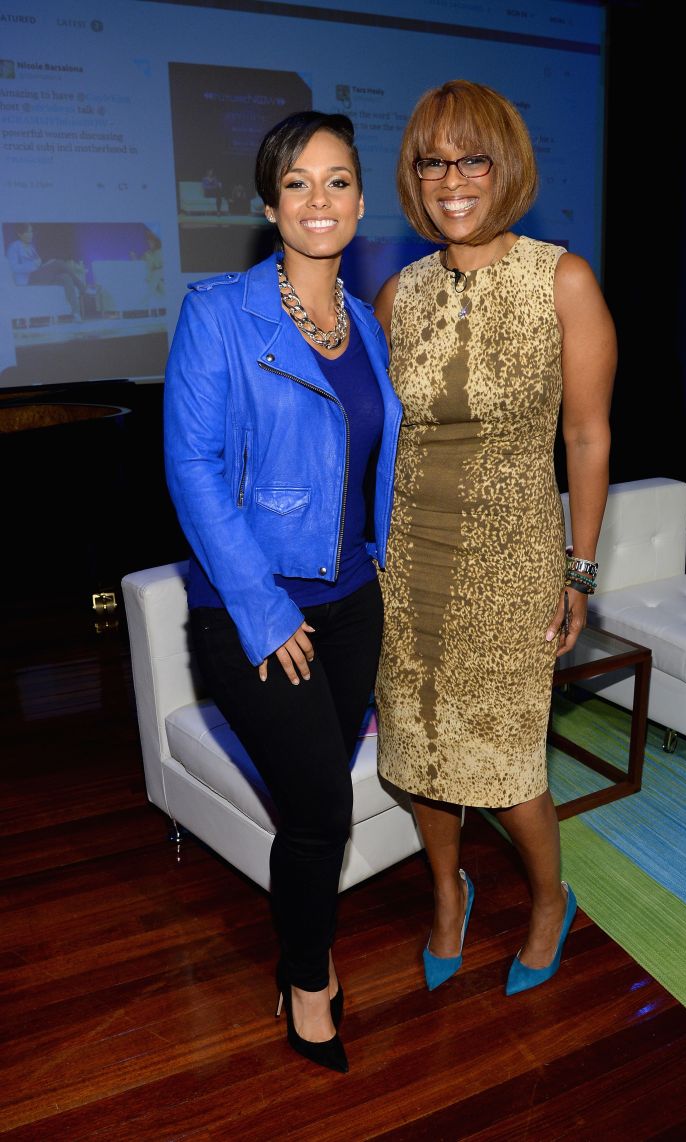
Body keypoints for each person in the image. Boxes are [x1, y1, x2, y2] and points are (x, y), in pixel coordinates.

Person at [164, 111, 401, 1073]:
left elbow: (371, 463)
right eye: (297, 183)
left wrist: (384, 561)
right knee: (321, 813)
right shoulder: (218, 313)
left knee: (316, 806)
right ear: (270, 205)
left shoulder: (366, 325)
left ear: (360, 200)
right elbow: (192, 467)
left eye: (337, 180)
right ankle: (308, 980)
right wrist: (264, 611)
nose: (319, 199)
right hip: (255, 611)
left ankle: (303, 949)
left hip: (353, 607)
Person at [373, 80, 616, 996]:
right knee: (420, 750)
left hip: (512, 563)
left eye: (472, 159)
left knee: (509, 766)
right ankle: (449, 892)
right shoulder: (399, 293)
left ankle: (551, 900)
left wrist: (579, 570)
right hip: (407, 563)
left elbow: (586, 436)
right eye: (432, 163)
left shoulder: (562, 280)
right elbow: (373, 436)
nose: (452, 181)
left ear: (505, 165)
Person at [6, 224, 87, 320]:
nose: (31, 234)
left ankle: (76, 313)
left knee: (66, 277)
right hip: (28, 279)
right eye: (28, 232)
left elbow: (38, 264)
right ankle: (82, 288)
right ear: (19, 234)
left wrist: (45, 264)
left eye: (31, 231)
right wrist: (33, 265)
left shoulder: (31, 247)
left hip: (38, 276)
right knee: (59, 263)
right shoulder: (14, 247)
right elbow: (14, 268)